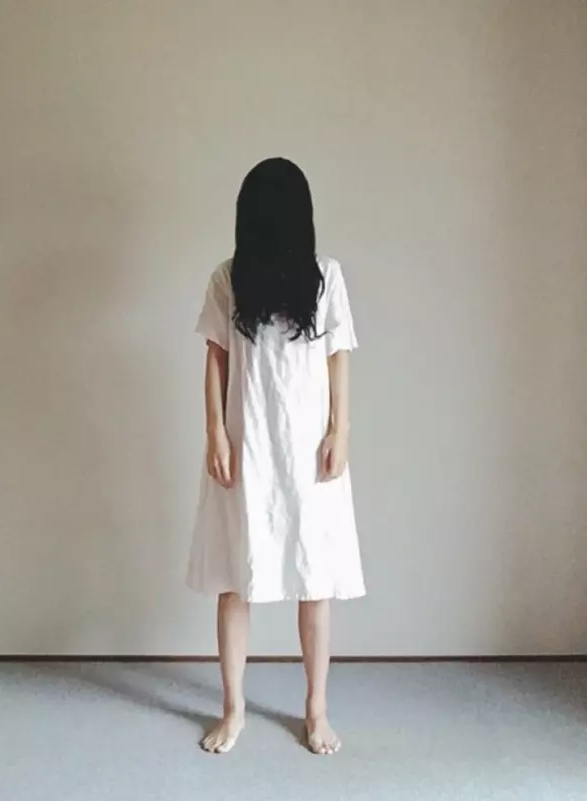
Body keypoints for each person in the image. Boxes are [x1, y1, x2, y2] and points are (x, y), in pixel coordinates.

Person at [187, 157, 365, 755]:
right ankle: (233, 709)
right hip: (249, 444)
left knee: (314, 577)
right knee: (235, 576)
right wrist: (215, 431)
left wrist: (341, 429)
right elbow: (216, 356)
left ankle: (316, 710)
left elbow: (339, 353)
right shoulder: (228, 278)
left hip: (308, 448)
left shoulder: (326, 276)